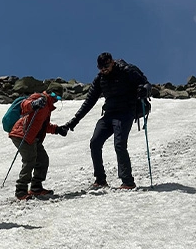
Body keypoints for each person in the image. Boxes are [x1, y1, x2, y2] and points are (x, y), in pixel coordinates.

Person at [61, 53, 150, 190]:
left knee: (119, 145)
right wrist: (73, 122)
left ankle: (128, 181)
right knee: (95, 143)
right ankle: (100, 180)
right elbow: (89, 102)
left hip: (126, 112)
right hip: (109, 114)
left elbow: (146, 84)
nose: (104, 70)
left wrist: (144, 90)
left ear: (112, 62)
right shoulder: (100, 79)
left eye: (106, 66)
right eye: (100, 68)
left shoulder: (127, 70)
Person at [8, 91, 66, 200]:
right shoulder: (40, 97)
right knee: (30, 160)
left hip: (33, 138)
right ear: (49, 92)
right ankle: (21, 190)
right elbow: (24, 105)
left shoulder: (47, 107)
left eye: (58, 97)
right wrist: (34, 104)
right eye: (54, 95)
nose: (55, 99)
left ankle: (36, 188)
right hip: (22, 134)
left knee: (43, 159)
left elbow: (43, 125)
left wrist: (57, 129)